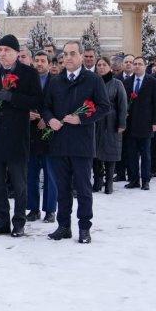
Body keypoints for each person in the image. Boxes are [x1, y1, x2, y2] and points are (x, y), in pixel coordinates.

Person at [42, 41, 110, 244]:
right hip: (59, 143)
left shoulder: (93, 80)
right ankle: (63, 226)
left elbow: (103, 107)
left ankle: (84, 228)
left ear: (81, 56)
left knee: (83, 189)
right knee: (62, 189)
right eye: (65, 54)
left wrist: (82, 119)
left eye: (73, 54)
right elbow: (45, 106)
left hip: (82, 144)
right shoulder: (55, 81)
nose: (68, 58)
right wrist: (50, 119)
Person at [0, 34, 43, 237]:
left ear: (16, 53)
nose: (3, 54)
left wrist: (13, 98)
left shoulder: (28, 73)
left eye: (7, 51)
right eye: (1, 50)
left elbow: (37, 100)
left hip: (17, 136)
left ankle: (19, 222)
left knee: (19, 183)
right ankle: (2, 220)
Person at [27, 51, 57, 222]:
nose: (39, 63)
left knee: (50, 174)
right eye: (36, 60)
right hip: (29, 134)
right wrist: (27, 114)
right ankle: (33, 208)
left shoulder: (56, 82)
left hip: (49, 134)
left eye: (42, 61)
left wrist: (46, 119)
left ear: (49, 63)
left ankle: (50, 209)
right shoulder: (28, 80)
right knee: (30, 174)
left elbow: (60, 105)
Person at [123, 57, 156, 191]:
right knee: (131, 153)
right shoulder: (127, 82)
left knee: (145, 154)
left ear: (146, 66)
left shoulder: (153, 82)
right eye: (135, 64)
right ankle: (134, 179)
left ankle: (145, 180)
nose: (137, 66)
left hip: (146, 123)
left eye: (140, 64)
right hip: (130, 124)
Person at [93, 56, 127, 194]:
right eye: (99, 65)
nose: (101, 67)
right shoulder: (93, 82)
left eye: (104, 65)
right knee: (95, 152)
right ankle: (97, 181)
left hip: (111, 121)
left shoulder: (117, 84)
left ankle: (109, 183)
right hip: (95, 121)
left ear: (109, 67)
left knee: (110, 152)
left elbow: (123, 105)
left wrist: (121, 123)